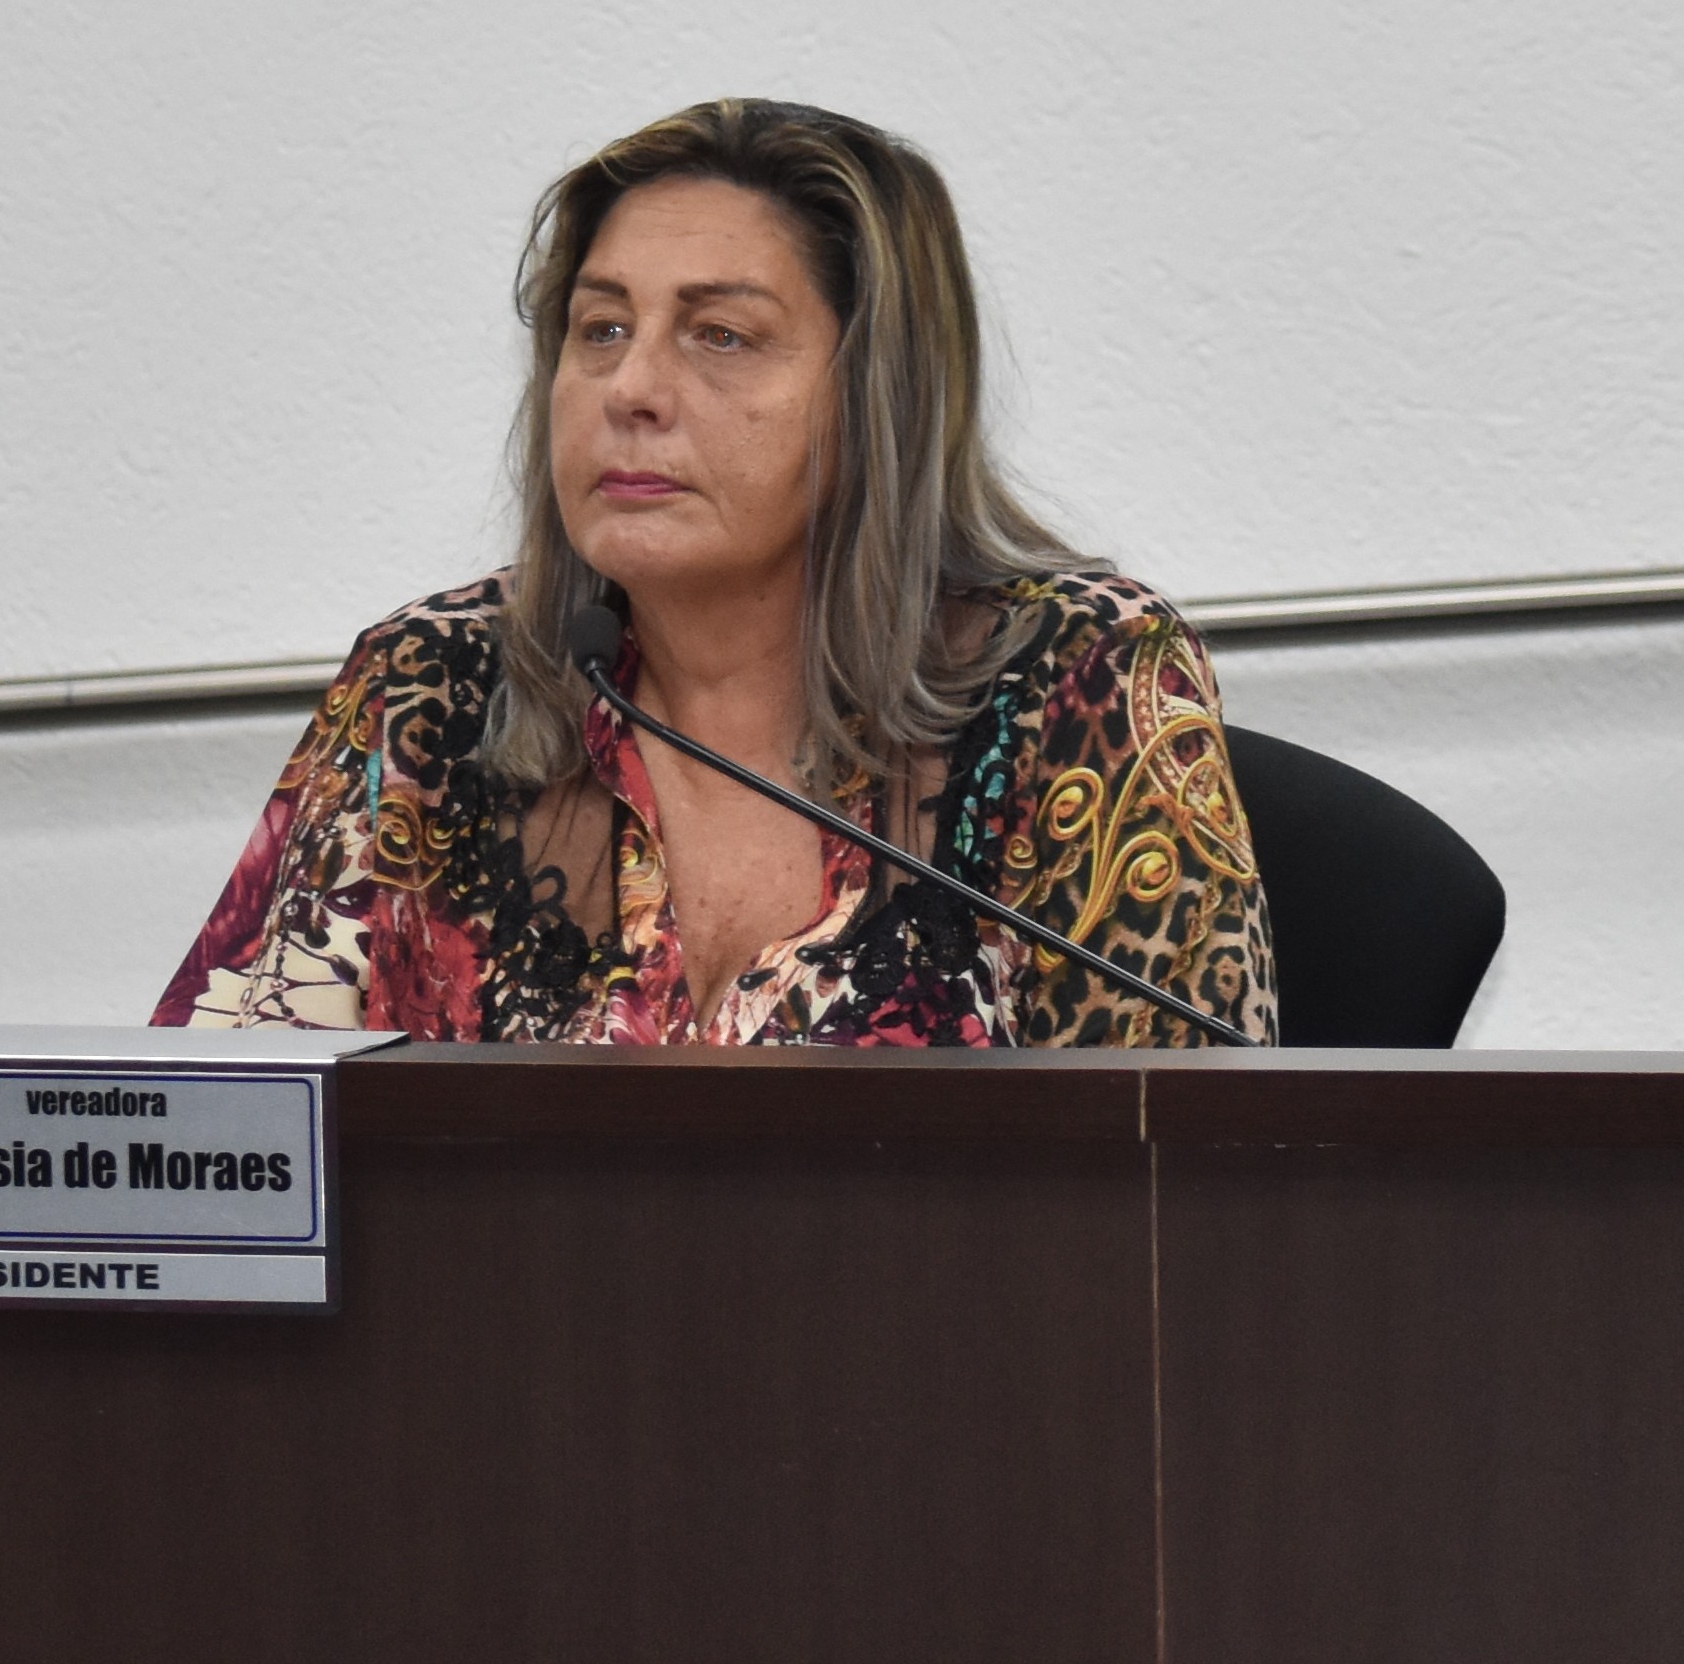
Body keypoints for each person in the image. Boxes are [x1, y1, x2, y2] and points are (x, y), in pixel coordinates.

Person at [159, 98, 1275, 1045]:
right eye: (601, 330)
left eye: (721, 336)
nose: (631, 389)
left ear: (876, 396)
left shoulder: (1079, 682)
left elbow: (1189, 1174)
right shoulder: (430, 686)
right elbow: (205, 1144)